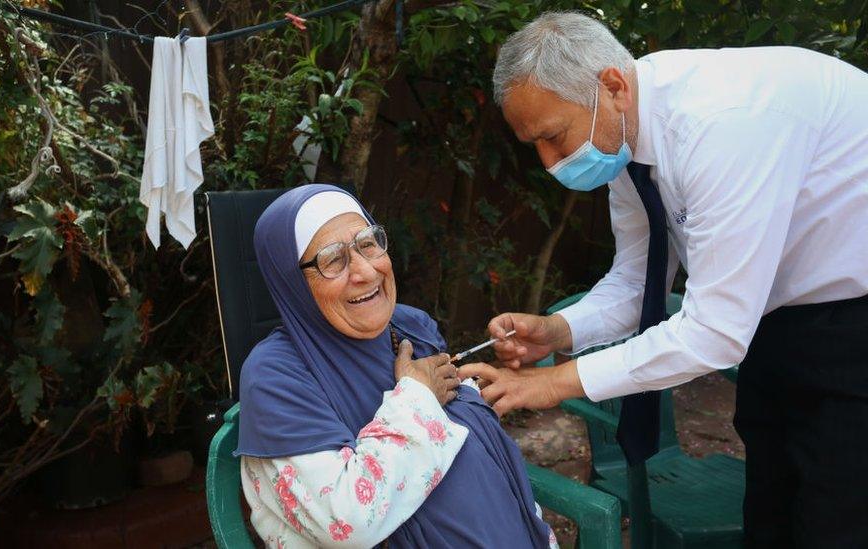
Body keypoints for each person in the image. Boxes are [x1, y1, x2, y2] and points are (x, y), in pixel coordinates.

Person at [459, 11, 868, 548]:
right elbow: (638, 279)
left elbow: (715, 332)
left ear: (611, 85)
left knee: (836, 517)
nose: (550, 162)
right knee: (770, 506)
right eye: (533, 145)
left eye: (554, 137)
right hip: (777, 320)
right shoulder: (626, 138)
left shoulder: (721, 126)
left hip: (853, 325)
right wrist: (559, 331)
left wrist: (556, 382)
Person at [235, 184, 558, 548]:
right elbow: (349, 522)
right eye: (332, 259)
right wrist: (417, 397)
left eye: (367, 243)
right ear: (293, 282)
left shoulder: (410, 328)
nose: (365, 272)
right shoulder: (275, 376)